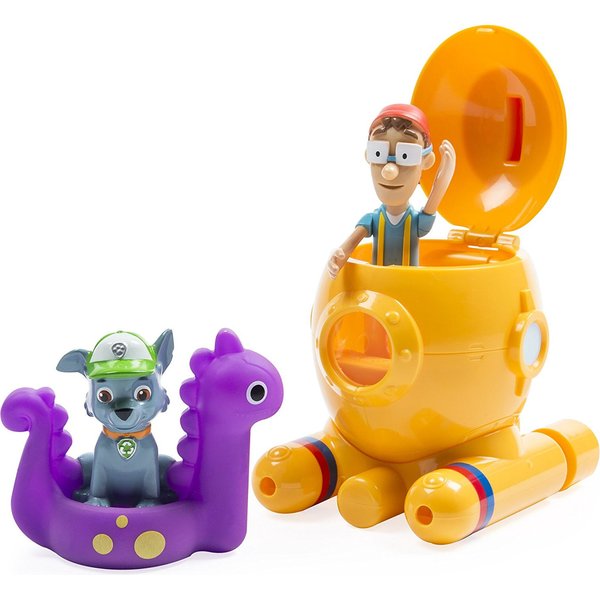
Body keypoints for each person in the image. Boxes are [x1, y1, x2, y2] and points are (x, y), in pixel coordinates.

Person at [328, 104, 455, 277]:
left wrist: (445, 174)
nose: (389, 171)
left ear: (426, 161)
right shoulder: (372, 220)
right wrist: (338, 256)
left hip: (409, 285)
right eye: (378, 153)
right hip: (377, 285)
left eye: (406, 155)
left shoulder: (415, 222)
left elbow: (432, 204)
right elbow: (347, 248)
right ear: (368, 156)